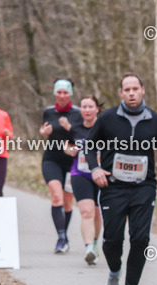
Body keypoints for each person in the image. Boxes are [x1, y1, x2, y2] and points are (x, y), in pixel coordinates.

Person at [87, 73, 157, 285]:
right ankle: (114, 270)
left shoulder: (156, 120)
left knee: (140, 238)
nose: (131, 93)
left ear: (143, 90)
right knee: (112, 239)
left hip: (143, 187)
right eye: (127, 90)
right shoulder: (107, 118)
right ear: (121, 93)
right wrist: (95, 168)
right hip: (113, 186)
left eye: (135, 89)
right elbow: (89, 145)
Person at [40, 79, 82, 253]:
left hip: (72, 161)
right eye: (59, 92)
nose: (62, 95)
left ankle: (63, 237)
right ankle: (62, 237)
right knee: (56, 196)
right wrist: (43, 133)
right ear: (55, 93)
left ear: (70, 93)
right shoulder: (48, 112)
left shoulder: (78, 113)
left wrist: (70, 128)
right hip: (51, 159)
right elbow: (44, 131)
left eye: (65, 92)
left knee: (67, 201)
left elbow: (83, 134)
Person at [63, 94, 103, 265]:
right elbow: (67, 145)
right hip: (80, 174)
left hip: (100, 175)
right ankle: (89, 249)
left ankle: (94, 242)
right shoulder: (76, 128)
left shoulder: (105, 128)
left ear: (97, 109)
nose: (86, 110)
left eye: (90, 107)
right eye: (83, 107)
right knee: (87, 212)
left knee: (97, 213)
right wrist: (69, 150)